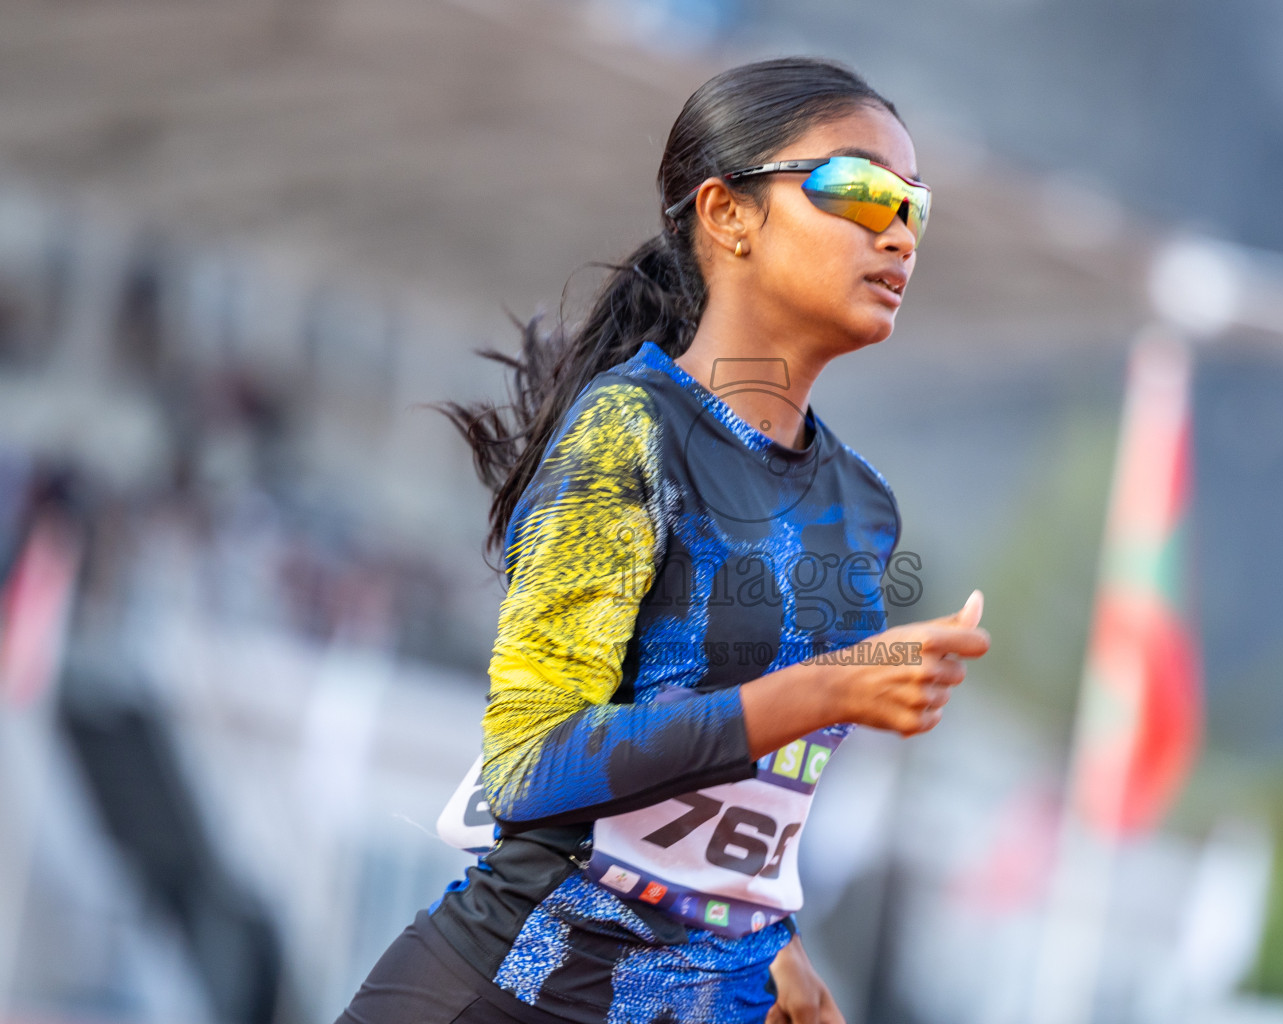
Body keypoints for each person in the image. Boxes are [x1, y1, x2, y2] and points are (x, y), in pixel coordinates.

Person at [335, 56, 990, 1024]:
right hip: (510, 992)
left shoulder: (864, 502)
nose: (897, 232)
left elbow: (744, 803)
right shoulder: (629, 431)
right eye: (858, 189)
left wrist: (773, 945)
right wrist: (830, 686)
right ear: (727, 214)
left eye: (915, 208)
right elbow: (529, 764)